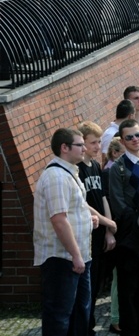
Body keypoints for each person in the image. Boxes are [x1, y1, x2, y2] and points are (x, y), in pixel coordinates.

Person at [33, 128, 99, 336]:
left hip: (77, 258)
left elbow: (71, 211)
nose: (85, 149)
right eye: (80, 145)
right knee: (59, 318)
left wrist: (89, 220)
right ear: (64, 148)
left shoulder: (70, 173)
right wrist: (76, 255)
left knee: (80, 315)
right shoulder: (56, 177)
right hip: (63, 259)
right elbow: (58, 220)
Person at [109, 120, 139, 336]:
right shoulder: (117, 168)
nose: (135, 140)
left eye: (138, 135)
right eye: (129, 137)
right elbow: (118, 204)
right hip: (129, 238)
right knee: (128, 289)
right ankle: (131, 331)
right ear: (122, 140)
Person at [76, 122, 117, 335]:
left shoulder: (95, 166)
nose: (97, 146)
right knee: (88, 284)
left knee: (97, 282)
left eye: (99, 141)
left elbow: (102, 196)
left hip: (101, 230)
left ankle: (89, 323)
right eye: (93, 142)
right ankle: (85, 326)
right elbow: (84, 202)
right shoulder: (78, 169)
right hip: (88, 232)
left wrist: (109, 229)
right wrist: (106, 222)